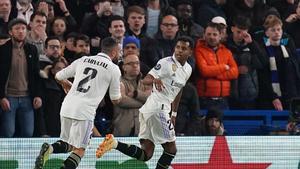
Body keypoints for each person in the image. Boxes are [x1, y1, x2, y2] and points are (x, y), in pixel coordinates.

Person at [96, 36, 194, 169]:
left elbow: (179, 90)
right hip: (158, 109)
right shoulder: (166, 63)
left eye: (184, 48)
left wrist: (174, 113)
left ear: (190, 52)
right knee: (171, 150)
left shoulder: (188, 69)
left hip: (152, 111)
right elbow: (145, 80)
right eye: (177, 47)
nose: (179, 51)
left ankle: (114, 143)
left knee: (146, 154)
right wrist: (155, 80)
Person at [34, 37, 122, 169]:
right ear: (114, 52)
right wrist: (122, 94)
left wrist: (66, 83)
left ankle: (50, 149)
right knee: (80, 149)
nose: (120, 54)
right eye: (119, 51)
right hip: (84, 111)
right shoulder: (113, 69)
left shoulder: (83, 60)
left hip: (67, 106)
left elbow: (58, 76)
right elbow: (115, 100)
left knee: (68, 144)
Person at [0, 18, 42, 138]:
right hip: (9, 97)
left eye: (23, 28)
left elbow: (35, 74)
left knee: (28, 133)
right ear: (10, 32)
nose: (20, 31)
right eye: (17, 28)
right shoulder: (3, 50)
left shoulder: (32, 49)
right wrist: (1, 97)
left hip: (27, 97)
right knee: (8, 132)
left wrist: (37, 95)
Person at [194, 22, 238, 110]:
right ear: (204, 35)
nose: (212, 37)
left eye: (215, 34)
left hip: (224, 99)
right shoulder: (198, 50)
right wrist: (223, 67)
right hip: (205, 100)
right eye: (209, 34)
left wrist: (214, 73)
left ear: (220, 36)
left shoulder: (227, 52)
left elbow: (235, 72)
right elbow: (204, 71)